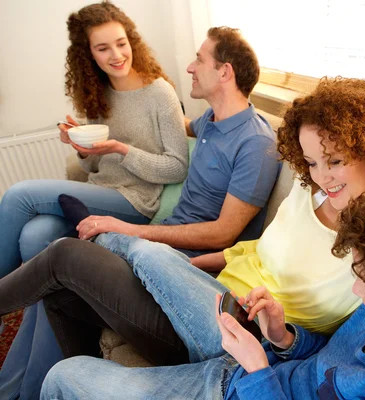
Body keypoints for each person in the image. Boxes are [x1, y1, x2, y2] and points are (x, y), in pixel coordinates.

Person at [39, 169, 365, 399]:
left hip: (242, 386)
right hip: (250, 367)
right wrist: (285, 337)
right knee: (141, 256)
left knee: (64, 376)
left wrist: (259, 370)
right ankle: (105, 238)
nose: (358, 293)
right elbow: (327, 362)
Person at [0, 2, 189, 399]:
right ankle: (20, 388)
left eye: (121, 43)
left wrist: (121, 148)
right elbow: (92, 172)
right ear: (88, 54)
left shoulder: (159, 92)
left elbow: (176, 168)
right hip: (104, 192)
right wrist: (83, 148)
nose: (116, 55)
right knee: (38, 236)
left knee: (19, 196)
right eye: (103, 49)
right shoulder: (96, 92)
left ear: (132, 40)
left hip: (136, 201)